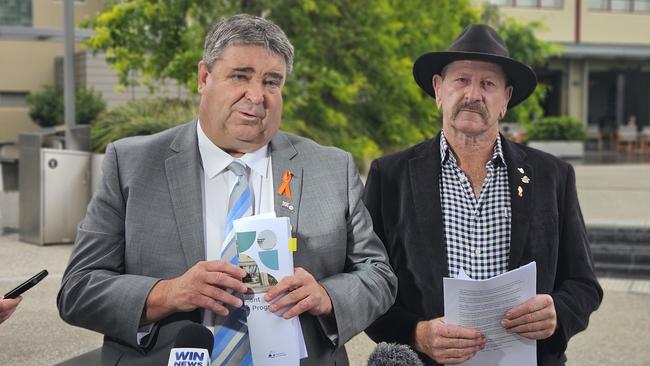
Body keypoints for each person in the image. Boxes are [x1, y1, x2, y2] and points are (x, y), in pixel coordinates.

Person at [57, 14, 396, 366]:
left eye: (272, 82)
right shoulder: (131, 164)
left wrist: (326, 296)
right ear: (204, 78)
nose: (257, 95)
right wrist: (168, 293)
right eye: (240, 76)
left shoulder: (331, 167)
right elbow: (78, 289)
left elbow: (378, 275)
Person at [363, 24, 602, 365]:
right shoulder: (390, 176)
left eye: (488, 83)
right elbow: (367, 280)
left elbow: (583, 283)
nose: (473, 94)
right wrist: (416, 334)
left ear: (505, 100)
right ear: (438, 90)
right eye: (461, 79)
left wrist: (558, 313)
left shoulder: (553, 176)